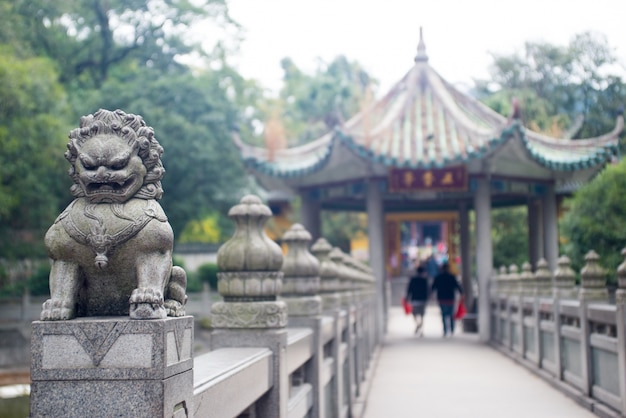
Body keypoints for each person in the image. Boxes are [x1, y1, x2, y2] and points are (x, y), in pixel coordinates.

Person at [431, 262, 462, 337]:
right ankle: (451, 329)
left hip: (441, 298)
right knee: (451, 314)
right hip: (450, 298)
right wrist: (462, 293)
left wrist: (431, 296)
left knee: (444, 314)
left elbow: (433, 287)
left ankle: (445, 330)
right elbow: (457, 286)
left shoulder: (438, 277)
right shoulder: (451, 277)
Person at [405, 265, 429, 335]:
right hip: (423, 300)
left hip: (414, 299)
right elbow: (427, 290)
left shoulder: (413, 279)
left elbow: (409, 289)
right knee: (422, 315)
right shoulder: (424, 280)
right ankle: (420, 328)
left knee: (414, 314)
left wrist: (407, 297)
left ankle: (418, 325)